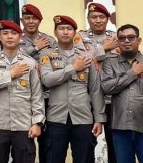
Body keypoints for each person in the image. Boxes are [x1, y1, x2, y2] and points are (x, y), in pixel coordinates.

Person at [100, 24, 143, 163]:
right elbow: (106, 88)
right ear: (118, 41)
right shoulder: (110, 63)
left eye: (131, 37)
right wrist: (133, 72)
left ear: (139, 40)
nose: (126, 41)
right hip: (120, 129)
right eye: (122, 38)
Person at [39, 15, 105, 163]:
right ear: (55, 32)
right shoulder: (46, 54)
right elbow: (47, 80)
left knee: (85, 159)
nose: (65, 32)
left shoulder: (87, 56)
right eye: (61, 29)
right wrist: (73, 68)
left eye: (69, 29)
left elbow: (95, 89)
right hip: (56, 117)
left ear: (75, 33)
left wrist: (99, 119)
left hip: (83, 117)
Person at [0, 20, 44, 163]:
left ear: (20, 37)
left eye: (14, 33)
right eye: (5, 33)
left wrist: (37, 122)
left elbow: (37, 95)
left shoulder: (29, 63)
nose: (9, 36)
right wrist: (10, 74)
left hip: (24, 124)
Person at [78, 2, 117, 163]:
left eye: (102, 17)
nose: (98, 20)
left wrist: (95, 54)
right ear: (88, 19)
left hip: (113, 99)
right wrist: (102, 48)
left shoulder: (117, 37)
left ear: (108, 19)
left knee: (115, 145)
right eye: (94, 17)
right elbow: (80, 61)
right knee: (87, 145)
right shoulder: (79, 38)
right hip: (88, 99)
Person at [17, 4, 56, 163]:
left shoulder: (50, 40)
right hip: (23, 97)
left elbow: (57, 63)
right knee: (23, 143)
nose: (31, 21)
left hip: (46, 95)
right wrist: (35, 48)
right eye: (27, 18)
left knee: (47, 142)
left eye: (34, 18)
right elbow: (14, 60)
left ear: (40, 21)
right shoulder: (15, 38)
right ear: (22, 20)